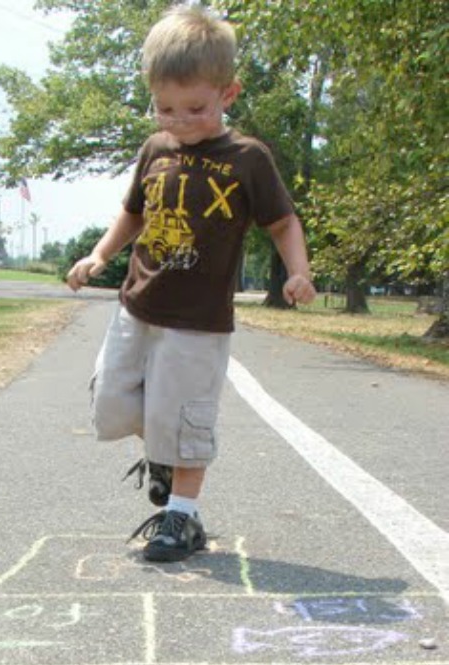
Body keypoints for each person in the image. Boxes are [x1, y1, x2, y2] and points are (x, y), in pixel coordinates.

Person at [66, 4, 316, 563]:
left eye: (194, 108)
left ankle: (182, 516)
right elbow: (132, 214)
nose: (178, 120)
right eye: (164, 108)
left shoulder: (247, 158)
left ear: (229, 94)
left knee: (186, 420)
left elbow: (282, 221)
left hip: (198, 321)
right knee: (110, 406)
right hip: (137, 306)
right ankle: (162, 454)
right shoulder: (155, 149)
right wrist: (99, 253)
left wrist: (298, 271)